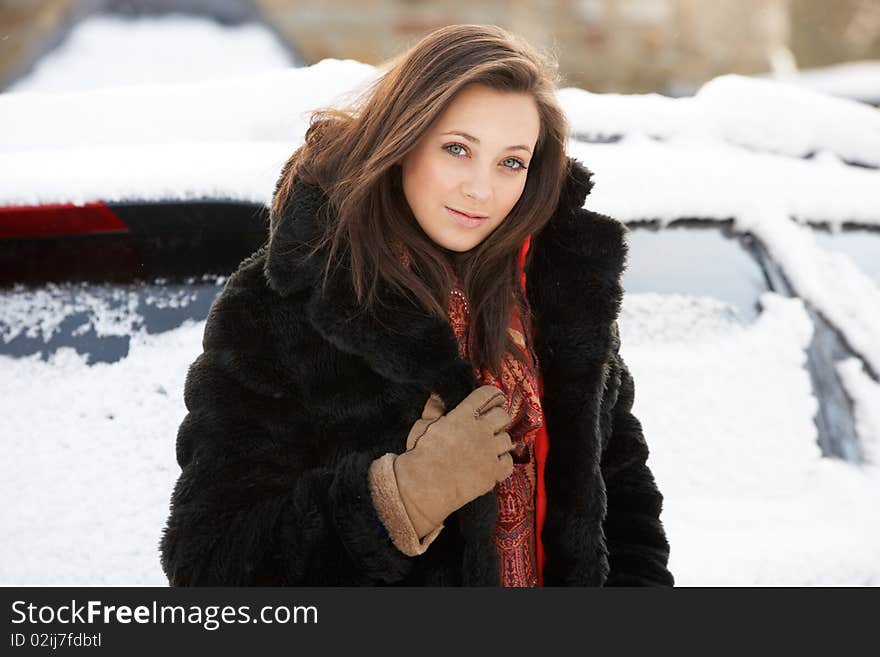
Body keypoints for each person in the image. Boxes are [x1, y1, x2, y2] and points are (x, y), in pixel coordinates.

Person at [159, 24, 674, 587]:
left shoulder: (560, 295)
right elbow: (208, 566)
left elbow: (624, 506)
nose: (481, 189)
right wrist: (402, 497)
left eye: (511, 162)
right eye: (458, 149)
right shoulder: (285, 306)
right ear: (403, 141)